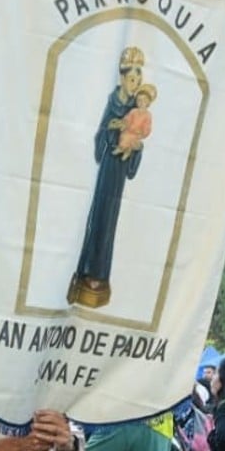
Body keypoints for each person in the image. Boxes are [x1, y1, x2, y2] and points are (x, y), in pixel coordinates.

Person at [69, 46, 148, 309]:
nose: (135, 83)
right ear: (123, 77)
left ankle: (100, 277)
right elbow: (99, 134)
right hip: (107, 168)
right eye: (131, 78)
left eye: (138, 79)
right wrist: (111, 133)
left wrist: (135, 148)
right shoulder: (113, 101)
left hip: (119, 174)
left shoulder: (138, 109)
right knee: (98, 216)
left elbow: (141, 138)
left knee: (110, 222)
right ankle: (85, 273)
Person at [114, 84, 156, 156]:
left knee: (131, 139)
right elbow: (128, 118)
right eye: (139, 100)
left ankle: (123, 149)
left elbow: (147, 126)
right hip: (129, 130)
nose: (141, 103)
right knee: (123, 135)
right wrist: (124, 123)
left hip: (137, 133)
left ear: (148, 103)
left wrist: (142, 133)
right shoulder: (134, 111)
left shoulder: (148, 115)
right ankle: (125, 149)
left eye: (144, 101)